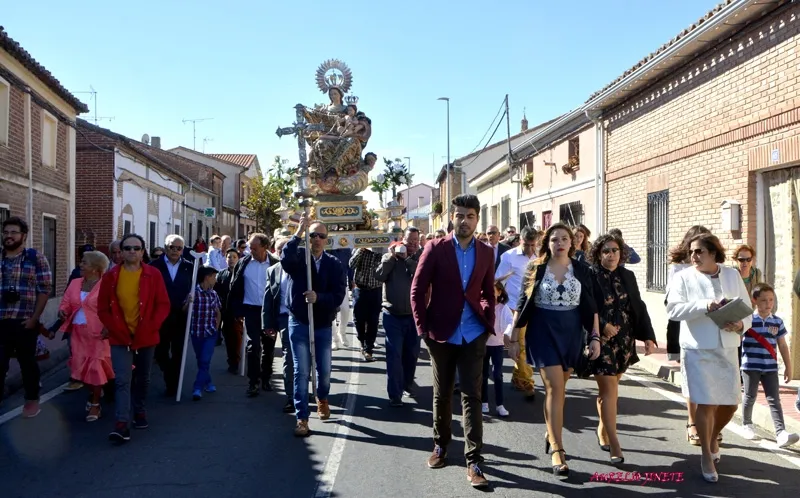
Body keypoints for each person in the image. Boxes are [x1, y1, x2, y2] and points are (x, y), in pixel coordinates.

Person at [410, 194, 495, 489]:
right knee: (442, 394)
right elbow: (417, 290)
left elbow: (487, 291)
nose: (464, 221)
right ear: (452, 217)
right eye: (459, 215)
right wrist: (422, 329)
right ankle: (441, 446)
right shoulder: (435, 248)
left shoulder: (486, 252)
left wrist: (487, 319)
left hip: (473, 333)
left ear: (477, 219)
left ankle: (474, 461)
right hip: (441, 333)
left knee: (472, 396)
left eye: (470, 216)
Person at [508, 222, 601, 478]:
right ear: (547, 243)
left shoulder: (582, 269)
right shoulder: (536, 267)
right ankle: (558, 449)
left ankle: (551, 431)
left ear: (573, 243)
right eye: (554, 239)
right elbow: (522, 302)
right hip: (543, 332)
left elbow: (590, 306)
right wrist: (515, 336)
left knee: (562, 386)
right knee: (554, 387)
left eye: (564, 238)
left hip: (571, 334)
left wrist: (595, 337)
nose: (559, 242)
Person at [666, 233, 751, 483]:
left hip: (727, 347)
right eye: (691, 251)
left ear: (714, 253)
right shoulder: (683, 277)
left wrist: (740, 324)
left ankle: (712, 437)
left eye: (699, 251)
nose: (694, 256)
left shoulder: (732, 275)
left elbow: (747, 309)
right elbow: (673, 309)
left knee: (731, 403)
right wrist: (705, 305)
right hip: (698, 348)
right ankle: (705, 453)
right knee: (705, 403)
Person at [586, 232, 656, 464]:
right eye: (606, 251)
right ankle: (615, 442)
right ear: (598, 254)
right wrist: (602, 327)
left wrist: (647, 336)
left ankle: (602, 428)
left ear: (621, 253)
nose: (611, 255)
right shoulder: (590, 275)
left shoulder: (627, 275)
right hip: (601, 339)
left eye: (615, 250)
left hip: (624, 340)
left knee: (611, 389)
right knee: (609, 390)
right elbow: (585, 307)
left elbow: (638, 305)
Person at [97, 233, 170, 443]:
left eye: (136, 248)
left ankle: (139, 411)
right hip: (120, 336)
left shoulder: (153, 274)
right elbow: (102, 309)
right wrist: (113, 327)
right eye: (127, 248)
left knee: (143, 378)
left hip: (146, 335)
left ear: (142, 251)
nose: (131, 252)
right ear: (121, 252)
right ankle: (121, 423)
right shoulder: (111, 277)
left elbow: (162, 304)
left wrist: (152, 325)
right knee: (122, 380)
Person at [281, 215, 346, 437]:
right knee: (301, 371)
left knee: (324, 371)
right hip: (299, 322)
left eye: (321, 236)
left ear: (327, 240)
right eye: (312, 235)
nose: (316, 239)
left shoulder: (334, 264)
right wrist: (298, 231)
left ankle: (323, 397)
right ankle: (302, 418)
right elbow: (284, 259)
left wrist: (319, 297)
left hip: (321, 324)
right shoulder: (299, 258)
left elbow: (338, 295)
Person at [0, 217, 52, 417]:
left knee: (27, 363)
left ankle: (31, 399)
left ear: (23, 236)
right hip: (1, 320)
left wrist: (34, 318)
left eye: (13, 232)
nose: (9, 236)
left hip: (25, 321)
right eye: (6, 232)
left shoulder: (34, 258)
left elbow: (44, 289)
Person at [666, 225, 711, 446]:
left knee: (709, 381)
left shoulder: (717, 269)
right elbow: (671, 303)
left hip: (711, 331)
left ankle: (710, 423)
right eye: (695, 247)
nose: (697, 253)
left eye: (703, 248)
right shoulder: (678, 269)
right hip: (688, 328)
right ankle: (692, 422)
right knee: (691, 378)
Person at [740, 283, 798, 447]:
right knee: (750, 396)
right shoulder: (748, 320)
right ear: (755, 300)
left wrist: (788, 366)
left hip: (770, 367)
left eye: (771, 300)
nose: (768, 303)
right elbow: (737, 341)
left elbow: (783, 345)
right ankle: (747, 424)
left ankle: (781, 433)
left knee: (774, 399)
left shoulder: (777, 322)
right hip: (750, 366)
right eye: (764, 300)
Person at [58, 251, 114, 422]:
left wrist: (109, 326)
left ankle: (95, 404)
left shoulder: (106, 284)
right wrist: (63, 310)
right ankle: (95, 391)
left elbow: (113, 308)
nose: (80, 265)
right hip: (78, 332)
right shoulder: (75, 283)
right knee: (80, 370)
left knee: (95, 368)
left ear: (96, 268)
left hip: (99, 334)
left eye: (84, 262)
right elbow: (66, 302)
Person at [228, 233, 278, 396]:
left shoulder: (275, 264)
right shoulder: (244, 263)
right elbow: (234, 287)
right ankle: (253, 382)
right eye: (250, 247)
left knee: (268, 347)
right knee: (253, 346)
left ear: (265, 247)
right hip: (250, 310)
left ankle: (266, 378)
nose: (251, 251)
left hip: (269, 311)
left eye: (254, 248)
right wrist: (237, 311)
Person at [375, 233, 422, 407]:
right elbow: (379, 276)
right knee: (394, 355)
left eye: (416, 241)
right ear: (403, 240)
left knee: (411, 354)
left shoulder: (421, 256)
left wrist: (408, 260)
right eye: (410, 241)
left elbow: (420, 275)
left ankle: (407, 385)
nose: (413, 244)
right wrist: (391, 258)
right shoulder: (390, 257)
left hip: (413, 316)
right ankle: (395, 394)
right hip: (392, 315)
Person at [496, 227, 539, 400]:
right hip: (515, 307)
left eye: (532, 245)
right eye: (526, 244)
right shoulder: (509, 257)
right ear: (519, 240)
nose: (529, 249)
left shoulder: (541, 257)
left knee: (529, 345)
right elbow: (498, 280)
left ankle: (518, 377)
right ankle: (528, 382)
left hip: (535, 308)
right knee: (520, 345)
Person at [150, 235, 194, 397]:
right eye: (171, 247)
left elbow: (194, 287)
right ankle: (169, 374)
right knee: (160, 352)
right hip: (160, 316)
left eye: (179, 248)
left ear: (183, 250)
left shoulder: (190, 267)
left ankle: (173, 384)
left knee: (178, 351)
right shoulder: (154, 266)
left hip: (181, 315)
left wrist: (191, 299)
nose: (175, 251)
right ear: (165, 247)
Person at [263, 237, 296, 413]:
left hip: (303, 318)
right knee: (289, 357)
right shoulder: (273, 270)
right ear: (275, 252)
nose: (283, 252)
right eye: (280, 249)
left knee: (305, 357)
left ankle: (307, 389)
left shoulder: (302, 266)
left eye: (287, 249)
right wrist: (268, 323)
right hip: (284, 319)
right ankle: (291, 396)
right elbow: (268, 298)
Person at [186, 266, 222, 401]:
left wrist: (216, 327)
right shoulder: (193, 293)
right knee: (201, 360)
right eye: (214, 277)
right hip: (196, 332)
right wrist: (188, 303)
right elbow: (185, 311)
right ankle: (208, 382)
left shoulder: (214, 294)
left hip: (210, 333)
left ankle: (197, 388)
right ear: (207, 277)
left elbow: (218, 312)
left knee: (205, 360)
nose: (215, 280)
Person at [350, 246, 385, 361]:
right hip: (360, 290)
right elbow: (351, 264)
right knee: (358, 318)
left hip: (376, 290)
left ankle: (368, 349)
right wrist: (361, 250)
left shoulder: (382, 252)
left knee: (373, 320)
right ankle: (362, 339)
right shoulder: (360, 250)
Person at [484, 280, 511, 418]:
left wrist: (507, 334)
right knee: (483, 375)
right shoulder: (483, 306)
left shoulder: (503, 308)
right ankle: (484, 402)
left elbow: (510, 322)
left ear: (499, 292)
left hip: (498, 345)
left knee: (497, 374)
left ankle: (500, 405)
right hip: (483, 345)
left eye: (493, 290)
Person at [215, 248, 242, 373]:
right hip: (224, 310)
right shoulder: (221, 274)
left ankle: (237, 361)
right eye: (229, 257)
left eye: (234, 257)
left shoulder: (242, 274)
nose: (231, 259)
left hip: (237, 311)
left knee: (237, 337)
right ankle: (231, 360)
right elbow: (217, 291)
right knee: (228, 337)